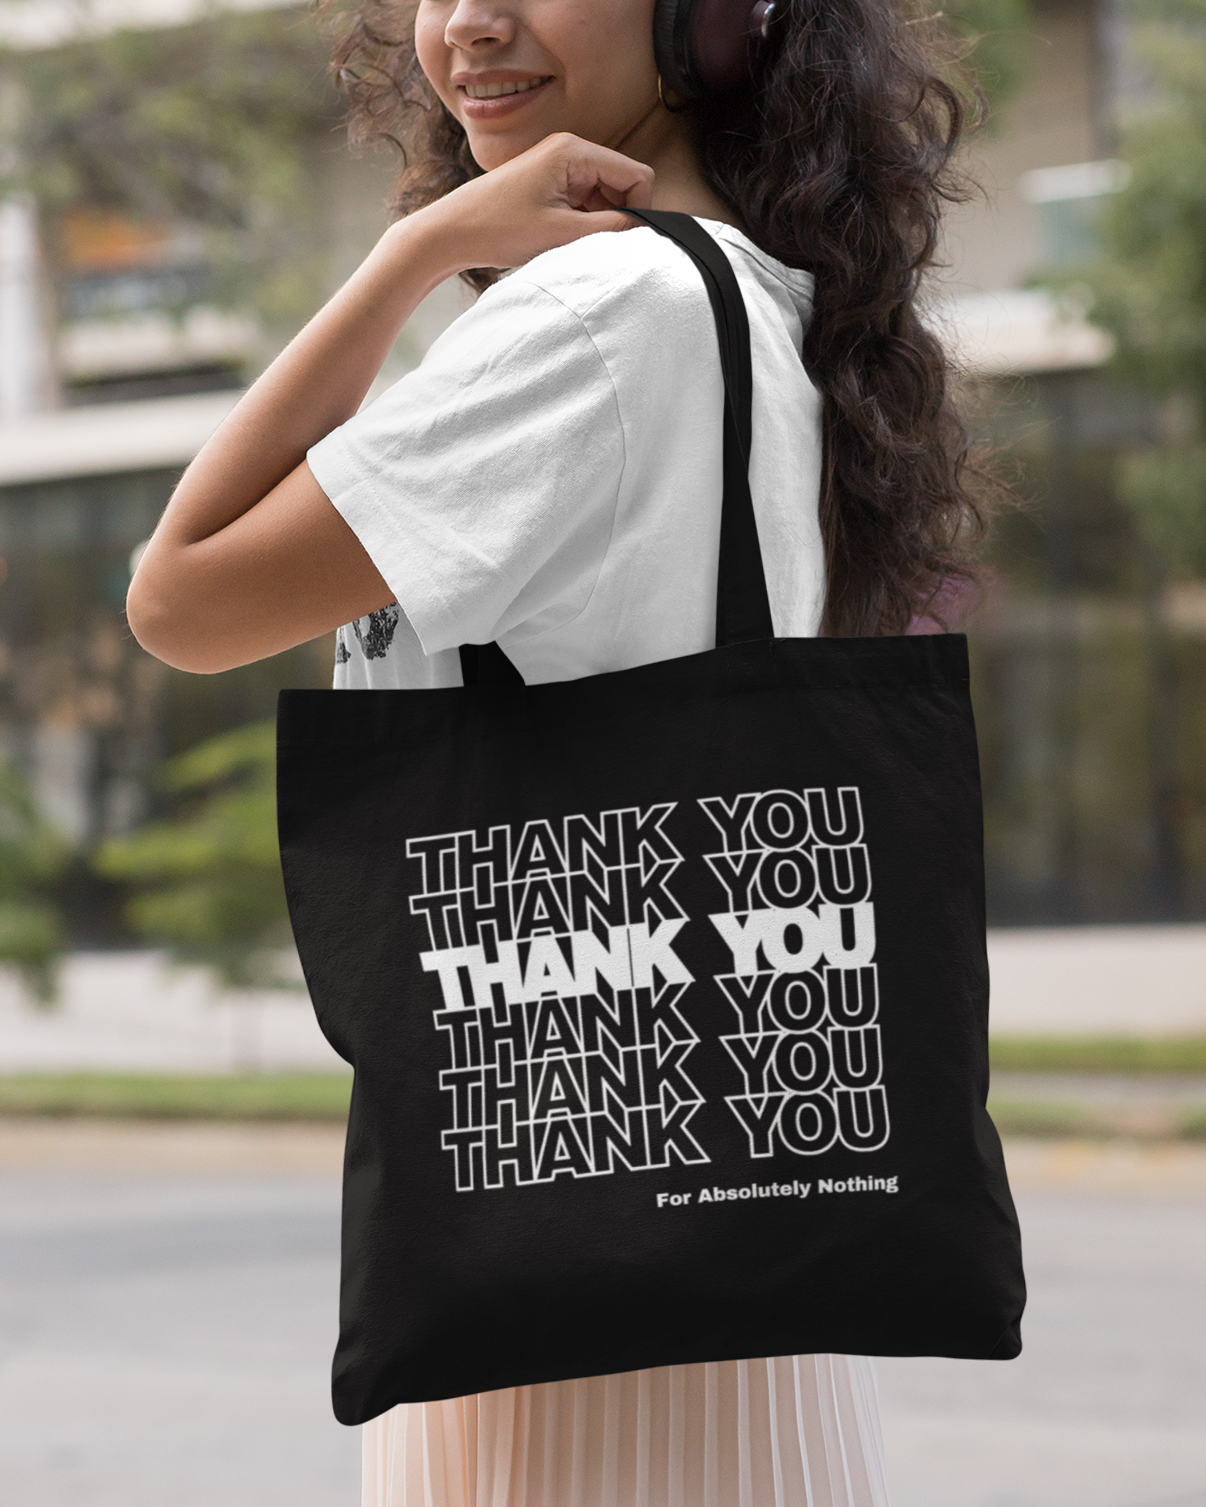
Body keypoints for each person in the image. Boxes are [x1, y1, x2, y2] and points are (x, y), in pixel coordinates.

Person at [128, 0, 986, 1501]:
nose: (467, 22)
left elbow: (181, 597)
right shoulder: (746, 285)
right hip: (728, 1240)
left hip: (571, 1263)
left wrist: (409, 255)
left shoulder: (601, 313)